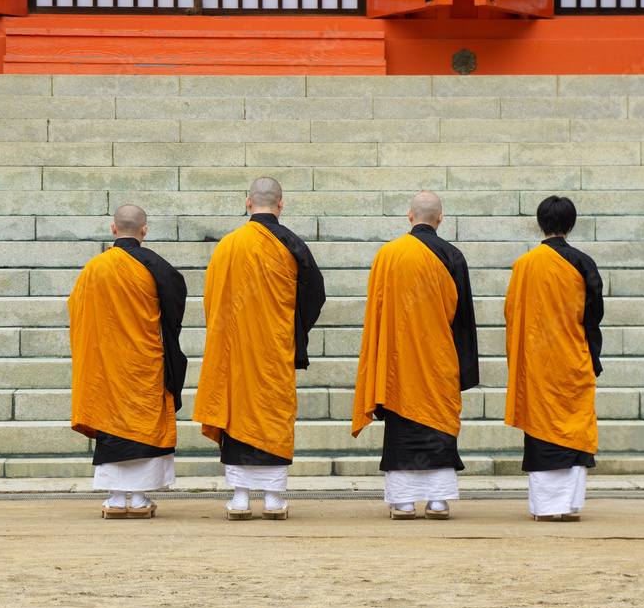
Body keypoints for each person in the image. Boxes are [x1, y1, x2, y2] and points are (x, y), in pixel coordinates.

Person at [193, 177, 325, 521]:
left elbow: (212, 300)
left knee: (239, 414)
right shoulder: (292, 244)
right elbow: (315, 296)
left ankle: (239, 498)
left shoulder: (227, 245)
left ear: (248, 202)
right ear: (281, 204)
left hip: (235, 353)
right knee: (273, 416)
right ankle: (272, 499)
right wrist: (291, 331)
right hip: (274, 352)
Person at [352, 191, 479, 520]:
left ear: (410, 216)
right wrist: (464, 371)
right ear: (440, 218)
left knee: (402, 429)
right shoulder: (453, 256)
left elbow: (376, 315)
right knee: (438, 427)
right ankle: (438, 501)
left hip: (397, 363)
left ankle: (404, 501)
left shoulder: (389, 254)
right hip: (439, 361)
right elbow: (463, 320)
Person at [69, 205, 188, 519]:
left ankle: (117, 499)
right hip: (144, 363)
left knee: (113, 428)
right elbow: (176, 303)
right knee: (143, 426)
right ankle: (138, 499)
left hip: (107, 367)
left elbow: (77, 310)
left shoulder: (94, 268)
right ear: (144, 230)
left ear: (113, 229)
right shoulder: (156, 266)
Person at [504, 195, 603, 522]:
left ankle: (546, 507)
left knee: (542, 428)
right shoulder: (583, 262)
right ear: (570, 225)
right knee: (573, 429)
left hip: (536, 363)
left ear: (540, 223)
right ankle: (570, 506)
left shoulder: (524, 264)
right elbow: (594, 315)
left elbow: (511, 314)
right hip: (572, 359)